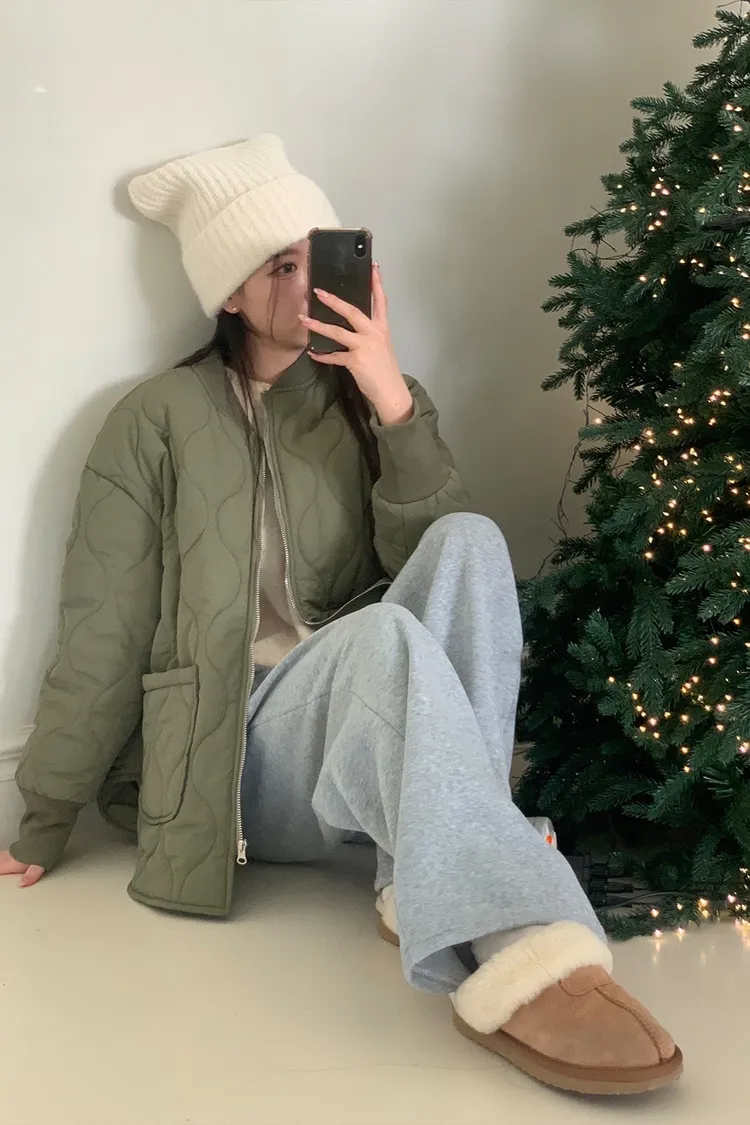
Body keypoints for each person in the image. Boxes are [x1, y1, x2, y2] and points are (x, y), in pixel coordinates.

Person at [0, 135, 681, 1095]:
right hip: (234, 758)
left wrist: (393, 400)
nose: (306, 283)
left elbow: (447, 589)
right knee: (380, 637)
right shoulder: (157, 419)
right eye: (277, 267)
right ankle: (522, 942)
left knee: (472, 539)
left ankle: (422, 881)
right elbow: (102, 627)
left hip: (359, 720)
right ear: (229, 295)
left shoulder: (369, 397)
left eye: (318, 255)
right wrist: (43, 814)